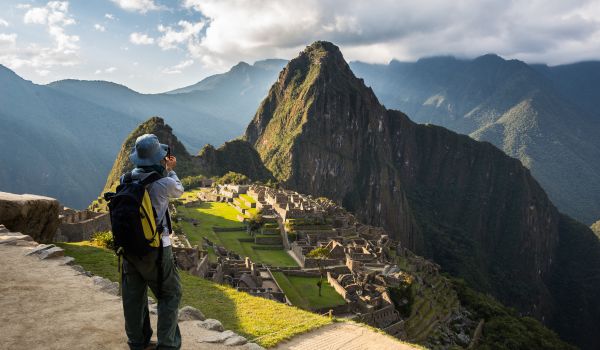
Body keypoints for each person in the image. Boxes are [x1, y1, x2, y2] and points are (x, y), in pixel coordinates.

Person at [121, 133, 184, 350]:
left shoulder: (126, 179)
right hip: (156, 249)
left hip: (128, 247)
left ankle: (137, 342)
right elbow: (180, 189)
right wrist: (171, 169)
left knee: (133, 296)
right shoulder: (165, 183)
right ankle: (168, 345)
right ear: (158, 157)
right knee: (170, 293)